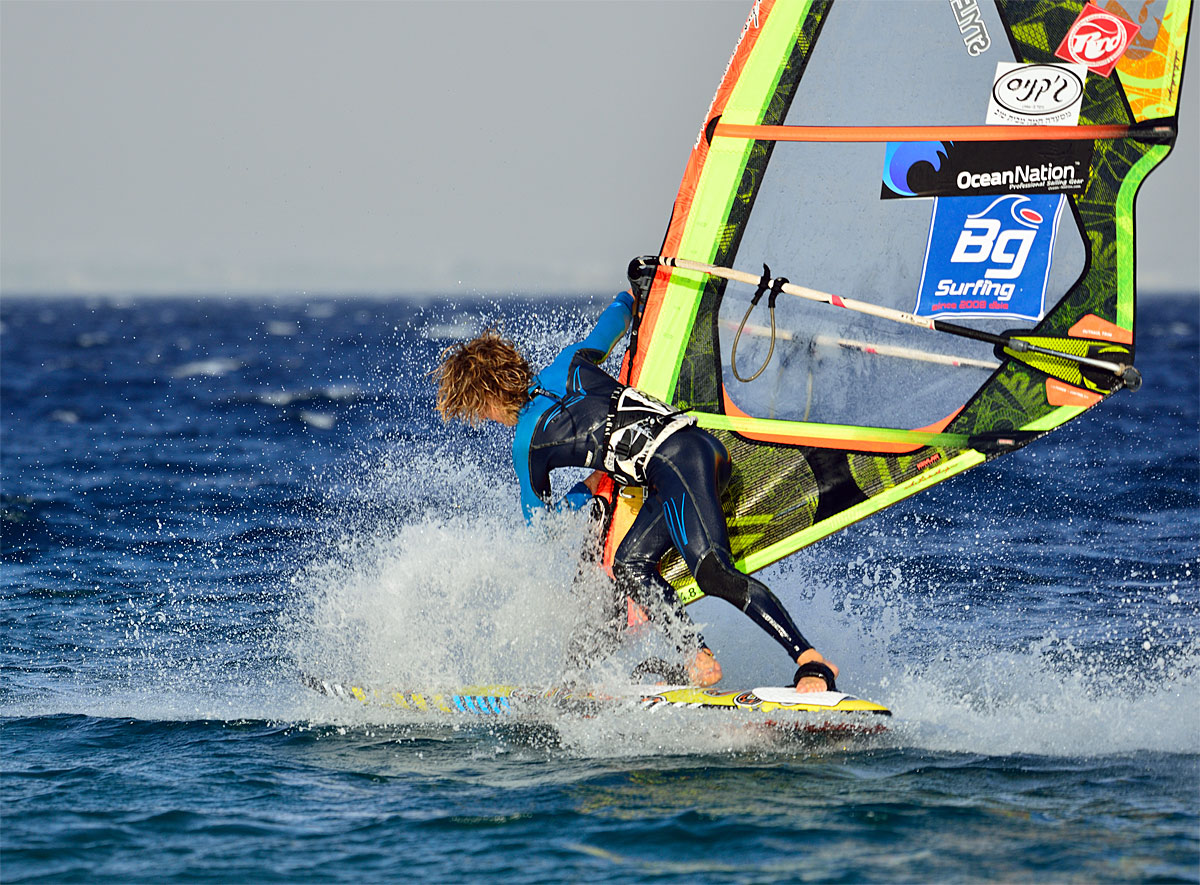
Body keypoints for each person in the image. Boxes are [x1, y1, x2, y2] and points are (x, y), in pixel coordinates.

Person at [433, 287, 840, 694]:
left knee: (712, 571)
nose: (483, 418)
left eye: (477, 410)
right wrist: (633, 295)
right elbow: (612, 322)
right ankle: (696, 656)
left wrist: (584, 491)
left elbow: (540, 529)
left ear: (485, 397)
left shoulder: (527, 442)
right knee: (630, 565)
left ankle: (810, 660)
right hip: (690, 456)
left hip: (680, 462)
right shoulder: (568, 363)